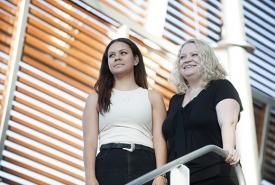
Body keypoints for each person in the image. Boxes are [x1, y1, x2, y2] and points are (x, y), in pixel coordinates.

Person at [82, 38, 167, 185]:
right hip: (108, 163)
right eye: (112, 55)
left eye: (123, 53)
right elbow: (90, 141)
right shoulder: (95, 98)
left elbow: (160, 140)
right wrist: (90, 176)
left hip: (146, 162)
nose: (117, 58)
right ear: (107, 63)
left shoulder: (153, 97)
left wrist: (161, 175)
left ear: (135, 60)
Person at [162, 39, 243, 185]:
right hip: (179, 179)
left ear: (207, 59)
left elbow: (228, 122)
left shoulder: (221, 87)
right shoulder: (175, 100)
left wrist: (228, 149)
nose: (187, 60)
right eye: (182, 57)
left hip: (214, 175)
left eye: (194, 55)